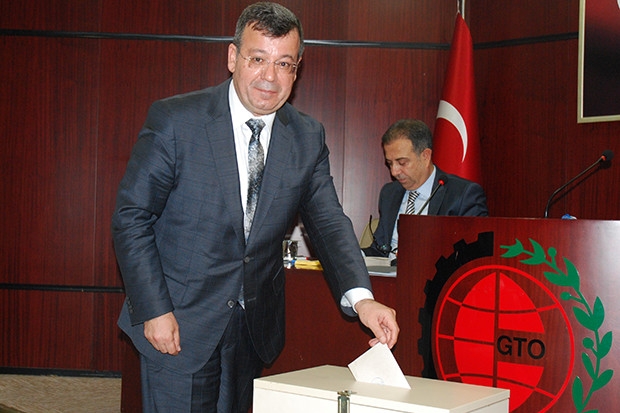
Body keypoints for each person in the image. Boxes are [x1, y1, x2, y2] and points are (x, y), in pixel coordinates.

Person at [111, 2, 399, 412]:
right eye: (258, 59)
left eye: (284, 64)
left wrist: (362, 299)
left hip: (251, 330)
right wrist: (154, 310)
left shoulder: (306, 136)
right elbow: (131, 218)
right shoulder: (177, 120)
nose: (270, 76)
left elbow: (328, 223)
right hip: (177, 322)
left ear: (296, 70)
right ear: (233, 57)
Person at [363, 119, 488, 259]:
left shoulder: (462, 194)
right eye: (390, 163)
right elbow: (380, 249)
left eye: (402, 162)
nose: (394, 172)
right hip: (387, 272)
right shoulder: (389, 193)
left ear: (425, 156)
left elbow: (476, 252)